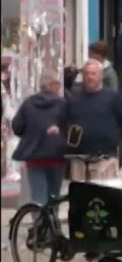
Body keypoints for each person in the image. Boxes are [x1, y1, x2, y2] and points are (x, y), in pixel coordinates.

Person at [66, 60, 122, 180]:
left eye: (93, 74)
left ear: (100, 76)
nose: (90, 77)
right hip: (79, 161)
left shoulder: (112, 98)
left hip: (106, 160)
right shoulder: (74, 100)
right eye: (87, 74)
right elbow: (65, 124)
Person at [12, 70, 67, 204]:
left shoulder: (28, 103)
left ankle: (39, 223)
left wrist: (30, 134)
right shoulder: (63, 105)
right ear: (51, 85)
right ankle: (53, 223)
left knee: (38, 197)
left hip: (34, 157)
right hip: (57, 157)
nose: (59, 87)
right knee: (54, 197)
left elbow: (17, 126)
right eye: (57, 84)